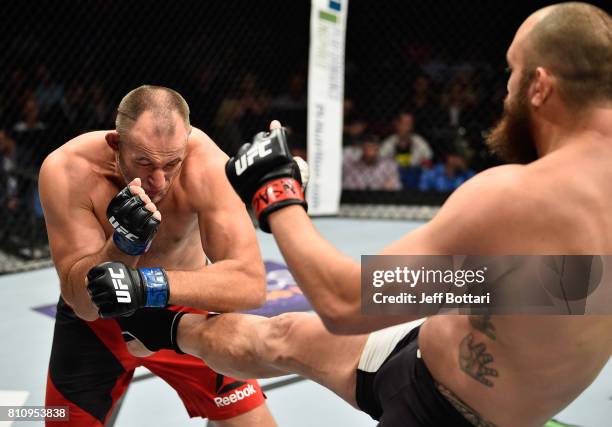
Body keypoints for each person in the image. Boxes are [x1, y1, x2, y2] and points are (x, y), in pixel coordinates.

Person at [100, 3, 612, 427]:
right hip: (423, 348)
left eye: (513, 73)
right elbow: (564, 285)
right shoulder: (559, 223)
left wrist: (277, 196)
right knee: (282, 336)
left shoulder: (515, 196)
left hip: (441, 414)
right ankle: (159, 329)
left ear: (540, 85)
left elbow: (345, 301)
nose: (506, 91)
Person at [39, 85, 275, 426]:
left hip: (182, 313)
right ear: (115, 144)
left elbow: (251, 285)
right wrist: (122, 245)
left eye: (172, 163)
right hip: (99, 326)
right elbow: (84, 305)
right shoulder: (68, 169)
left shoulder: (207, 164)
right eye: (144, 162)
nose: (159, 180)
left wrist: (146, 284)